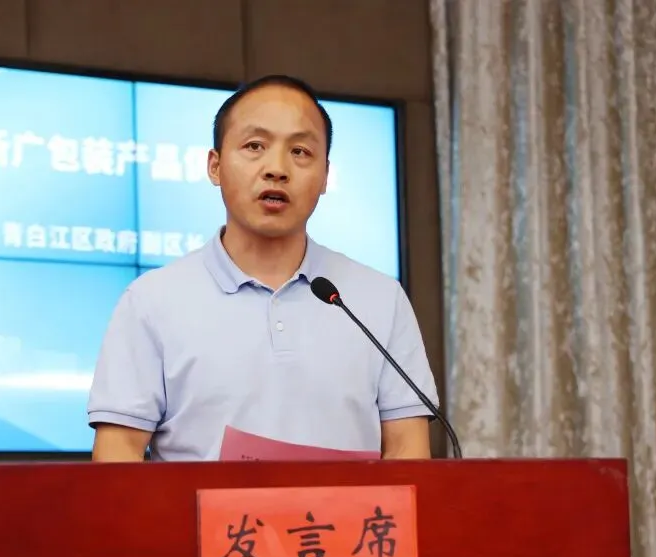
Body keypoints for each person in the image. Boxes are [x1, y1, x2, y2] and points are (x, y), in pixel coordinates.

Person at [86, 74, 439, 462]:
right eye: (255, 146)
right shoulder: (151, 301)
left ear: (325, 176)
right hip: (196, 508)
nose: (277, 169)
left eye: (300, 151)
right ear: (215, 166)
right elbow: (118, 451)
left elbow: (407, 447)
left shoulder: (379, 299)